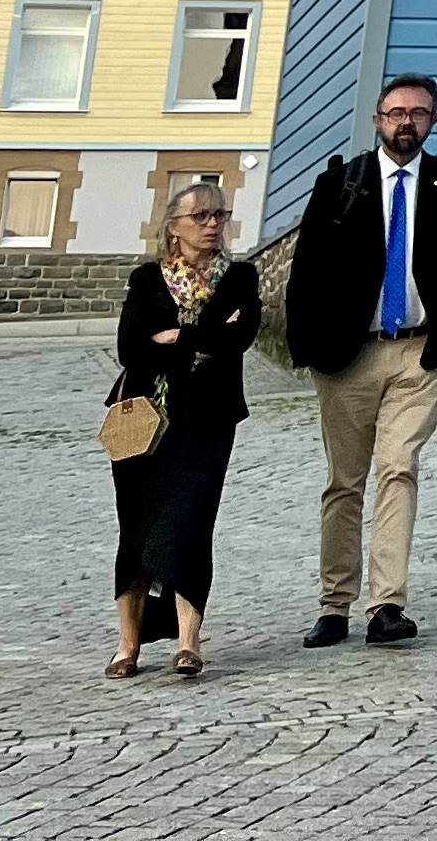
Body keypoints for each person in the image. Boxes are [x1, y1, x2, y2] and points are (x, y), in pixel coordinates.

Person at [283, 70, 437, 646]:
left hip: (418, 352)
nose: (406, 122)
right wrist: (311, 351)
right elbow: (306, 273)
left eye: (418, 113)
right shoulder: (341, 184)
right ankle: (334, 603)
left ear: (433, 121)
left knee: (399, 468)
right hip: (348, 356)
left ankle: (387, 605)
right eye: (396, 112)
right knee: (345, 481)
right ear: (378, 119)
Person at [107, 182, 261, 681]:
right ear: (174, 227)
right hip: (144, 421)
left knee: (192, 522)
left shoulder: (239, 277)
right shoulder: (147, 279)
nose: (214, 224)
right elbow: (132, 348)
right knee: (137, 526)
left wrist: (179, 334)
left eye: (220, 215)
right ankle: (127, 645)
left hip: (208, 418)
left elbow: (240, 338)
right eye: (201, 217)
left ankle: (188, 642)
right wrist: (201, 341)